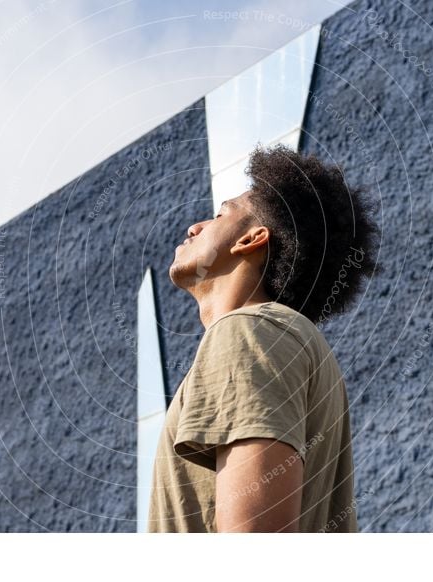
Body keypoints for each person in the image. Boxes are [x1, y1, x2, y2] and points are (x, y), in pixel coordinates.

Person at [147, 144, 380, 532]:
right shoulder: (279, 338)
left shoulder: (248, 331)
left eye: (221, 213)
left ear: (251, 239)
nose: (195, 227)